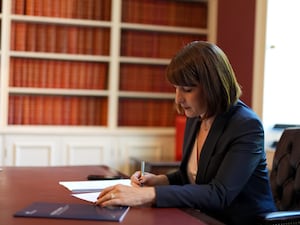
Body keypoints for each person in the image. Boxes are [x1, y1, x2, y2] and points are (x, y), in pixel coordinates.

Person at [96, 41, 276, 225]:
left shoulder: (246, 126)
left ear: (213, 86)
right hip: (201, 217)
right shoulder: (196, 116)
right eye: (176, 88)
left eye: (187, 90)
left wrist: (146, 195)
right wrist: (160, 180)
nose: (178, 98)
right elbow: (189, 176)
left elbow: (219, 194)